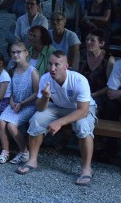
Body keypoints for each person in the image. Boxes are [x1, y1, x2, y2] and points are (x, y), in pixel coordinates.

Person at [16, 51, 96, 186]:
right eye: (50, 64)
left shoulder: (79, 80)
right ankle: (32, 160)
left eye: (57, 65)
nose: (52, 68)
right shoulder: (45, 78)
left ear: (66, 66)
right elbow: (40, 108)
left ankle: (86, 168)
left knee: (83, 126)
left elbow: (83, 111)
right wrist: (46, 97)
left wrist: (59, 122)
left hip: (80, 108)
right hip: (57, 106)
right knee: (36, 119)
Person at [0, 44, 40, 164]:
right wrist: (11, 101)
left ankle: (24, 152)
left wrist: (22, 103)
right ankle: (5, 151)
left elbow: (36, 92)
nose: (16, 55)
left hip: (28, 105)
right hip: (15, 103)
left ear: (26, 53)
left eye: (18, 52)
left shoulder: (33, 71)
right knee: (1, 121)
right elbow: (12, 90)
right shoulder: (13, 69)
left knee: (11, 125)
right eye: (13, 52)